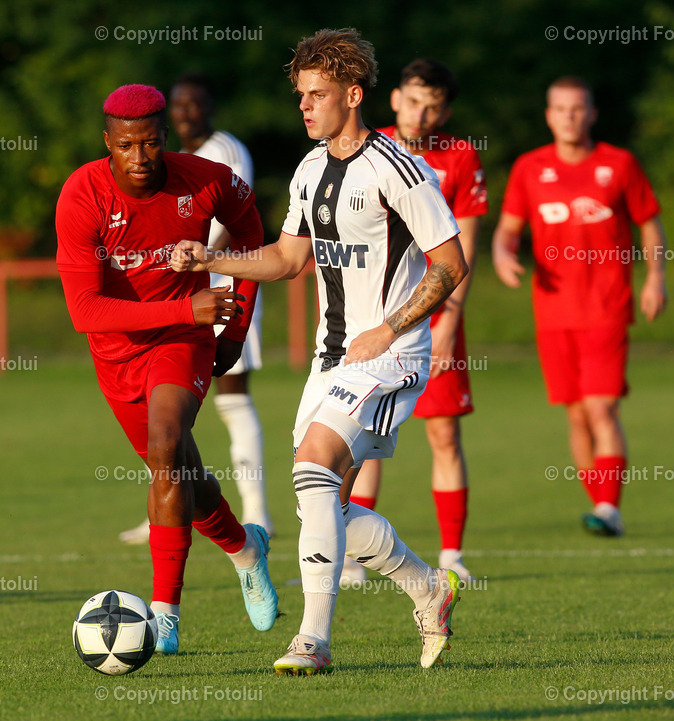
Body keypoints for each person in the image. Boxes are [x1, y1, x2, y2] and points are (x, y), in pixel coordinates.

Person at [171, 28, 467, 675]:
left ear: (353, 95)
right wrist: (212, 257)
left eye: (317, 94)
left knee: (313, 463)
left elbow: (450, 263)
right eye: (300, 94)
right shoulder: (308, 170)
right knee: (321, 501)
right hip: (331, 360)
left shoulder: (398, 167)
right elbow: (288, 258)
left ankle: (313, 639)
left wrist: (388, 329)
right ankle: (427, 586)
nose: (304, 106)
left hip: (393, 353)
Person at [55, 84, 279, 656]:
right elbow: (85, 311)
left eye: (150, 143)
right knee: (179, 471)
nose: (140, 157)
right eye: (127, 146)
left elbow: (252, 232)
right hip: (117, 352)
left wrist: (235, 325)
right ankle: (246, 549)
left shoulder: (204, 178)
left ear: (164, 138)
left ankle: (164, 617)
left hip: (183, 340)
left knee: (166, 443)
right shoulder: (82, 193)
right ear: (108, 142)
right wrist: (189, 305)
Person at [492, 76, 667, 536]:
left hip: (607, 306)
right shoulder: (530, 168)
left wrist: (656, 279)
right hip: (552, 311)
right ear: (548, 116)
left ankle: (609, 508)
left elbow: (649, 224)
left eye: (578, 108)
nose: (569, 115)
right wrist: (503, 254)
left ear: (591, 113)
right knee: (576, 414)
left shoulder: (619, 164)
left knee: (601, 409)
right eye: (560, 108)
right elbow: (508, 228)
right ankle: (602, 506)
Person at [346, 58, 488, 585]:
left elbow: (465, 243)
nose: (420, 113)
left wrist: (450, 316)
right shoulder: (366, 145)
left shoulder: (460, 155)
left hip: (435, 313)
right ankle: (357, 558)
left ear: (445, 110)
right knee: (362, 434)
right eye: (412, 100)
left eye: (432, 105)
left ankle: (452, 556)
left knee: (444, 434)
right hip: (374, 317)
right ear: (395, 99)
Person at [118, 73, 272, 545]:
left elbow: (236, 222)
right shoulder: (160, 160)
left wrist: (194, 259)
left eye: (194, 104)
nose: (187, 112)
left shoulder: (225, 152)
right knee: (166, 416)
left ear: (208, 108)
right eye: (179, 105)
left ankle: (257, 512)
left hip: (224, 286)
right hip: (174, 299)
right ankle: (168, 504)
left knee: (232, 398)